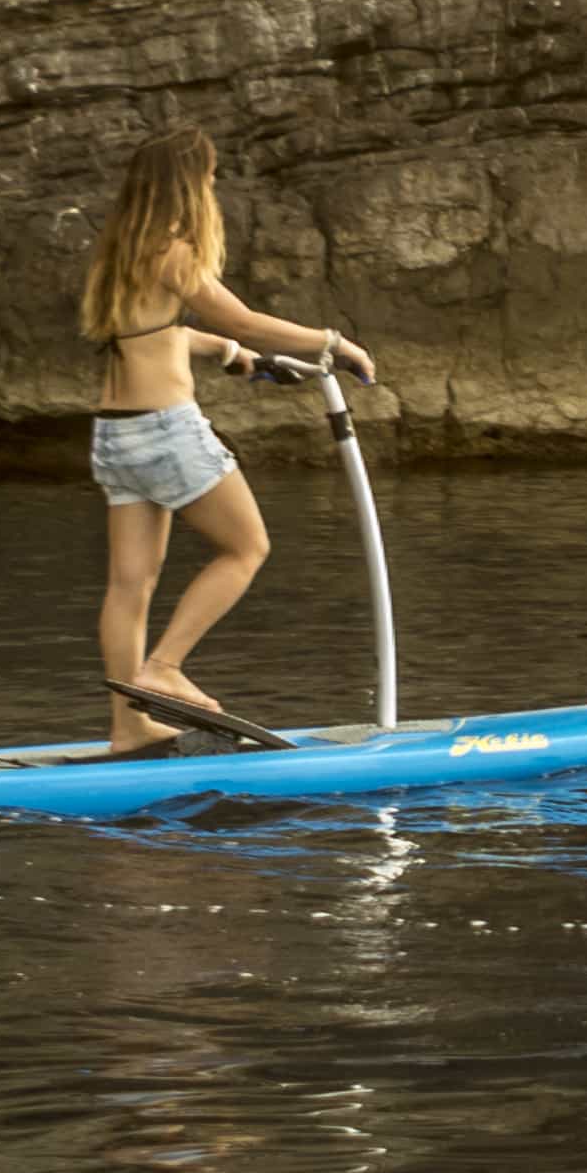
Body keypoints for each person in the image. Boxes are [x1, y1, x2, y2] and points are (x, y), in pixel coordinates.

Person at [77, 127, 375, 751]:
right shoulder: (175, 248)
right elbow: (237, 314)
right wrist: (331, 344)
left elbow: (155, 335)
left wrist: (226, 353)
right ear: (188, 184)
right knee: (246, 548)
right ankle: (163, 668)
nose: (213, 187)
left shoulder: (118, 253)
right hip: (165, 430)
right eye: (208, 177)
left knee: (129, 584)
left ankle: (127, 729)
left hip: (115, 437)